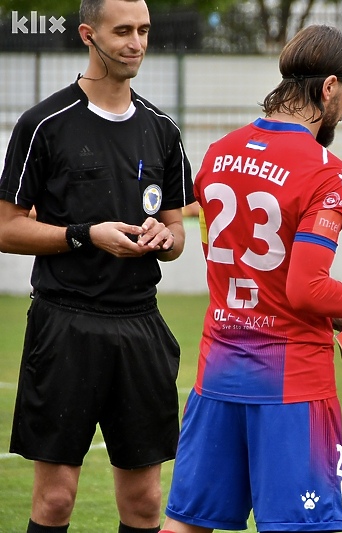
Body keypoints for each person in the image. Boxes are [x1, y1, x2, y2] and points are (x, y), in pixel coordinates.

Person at [160, 25, 342, 533]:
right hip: (291, 383)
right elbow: (305, 288)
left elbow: (265, 277)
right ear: (328, 87)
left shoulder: (219, 154)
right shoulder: (326, 171)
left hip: (217, 372)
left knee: (189, 523)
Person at [0, 0, 195, 531]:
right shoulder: (45, 123)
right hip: (65, 324)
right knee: (55, 501)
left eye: (145, 31)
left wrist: (165, 238)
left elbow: (178, 232)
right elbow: (6, 227)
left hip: (140, 326)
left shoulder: (163, 129)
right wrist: (85, 236)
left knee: (144, 502)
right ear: (89, 34)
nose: (137, 43)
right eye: (124, 30)